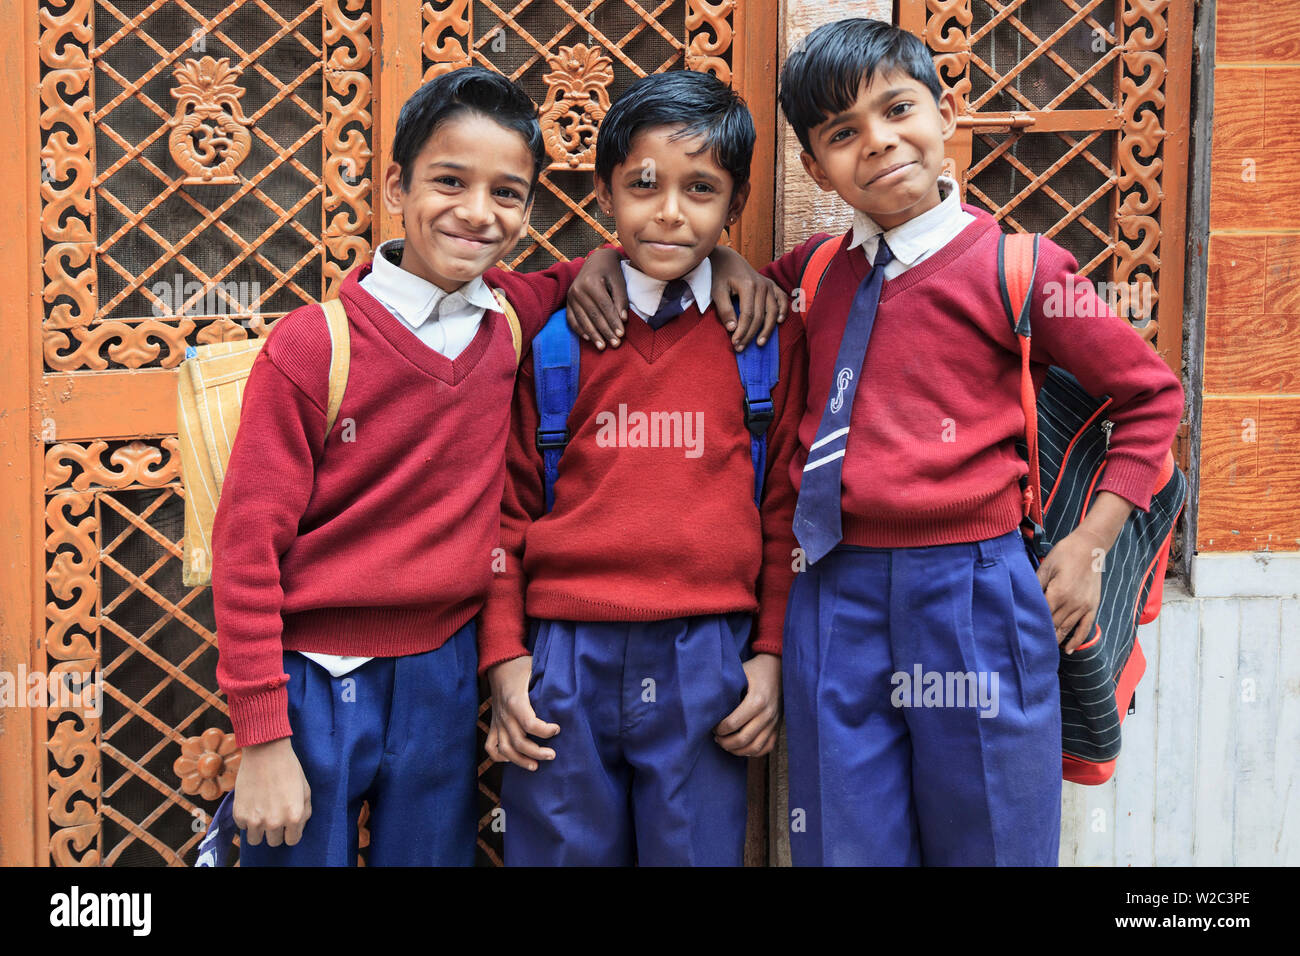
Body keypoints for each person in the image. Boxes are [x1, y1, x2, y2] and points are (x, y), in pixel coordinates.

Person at [212, 66, 780, 866]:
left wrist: (725, 265)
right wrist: (263, 735)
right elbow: (244, 550)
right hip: (315, 675)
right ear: (394, 186)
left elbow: (634, 261)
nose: (477, 213)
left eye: (507, 194)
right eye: (449, 181)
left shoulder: (510, 319)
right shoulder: (316, 346)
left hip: (445, 671)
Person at [762, 18, 1184, 865]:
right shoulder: (812, 273)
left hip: (975, 593)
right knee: (841, 843)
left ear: (945, 111)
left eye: (897, 109)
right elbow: (697, 280)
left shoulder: (1017, 266)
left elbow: (1149, 398)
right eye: (843, 134)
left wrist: (1089, 543)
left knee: (991, 838)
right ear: (815, 167)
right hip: (831, 592)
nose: (878, 143)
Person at [480, 70, 808, 866]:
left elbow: (785, 511)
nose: (669, 212)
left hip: (707, 658)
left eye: (701, 190)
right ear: (604, 194)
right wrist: (505, 658)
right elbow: (505, 511)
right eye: (643, 185)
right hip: (565, 655)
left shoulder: (762, 340)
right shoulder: (558, 337)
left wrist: (768, 655)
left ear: (734, 211)